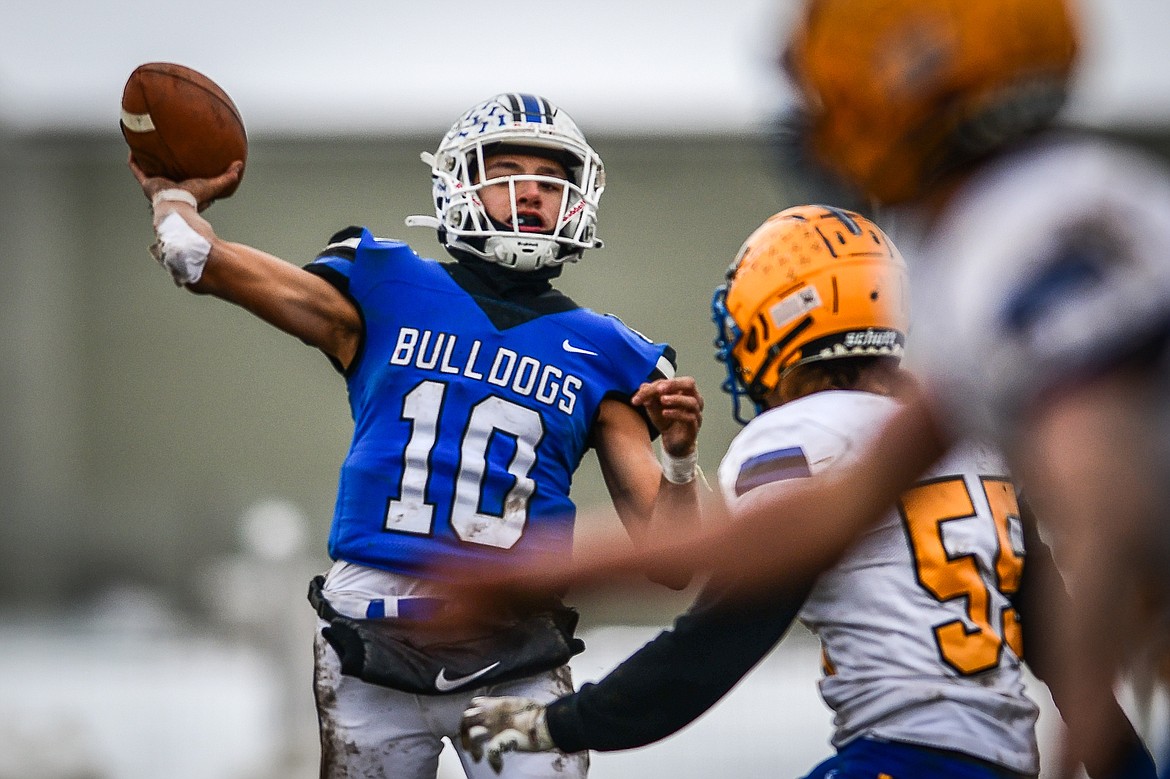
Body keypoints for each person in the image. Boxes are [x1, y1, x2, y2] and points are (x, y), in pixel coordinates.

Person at [446, 1, 1170, 774]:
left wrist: (567, 715)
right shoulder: (973, 384)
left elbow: (734, 622)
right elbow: (1050, 628)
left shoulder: (1013, 237)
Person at [128, 91, 704, 779]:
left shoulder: (605, 351)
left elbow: (673, 562)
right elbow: (198, 257)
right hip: (371, 633)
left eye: (550, 180)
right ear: (458, 184)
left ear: (577, 198)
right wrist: (172, 197)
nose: (531, 193)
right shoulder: (384, 282)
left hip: (515, 647)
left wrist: (680, 457)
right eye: (507, 171)